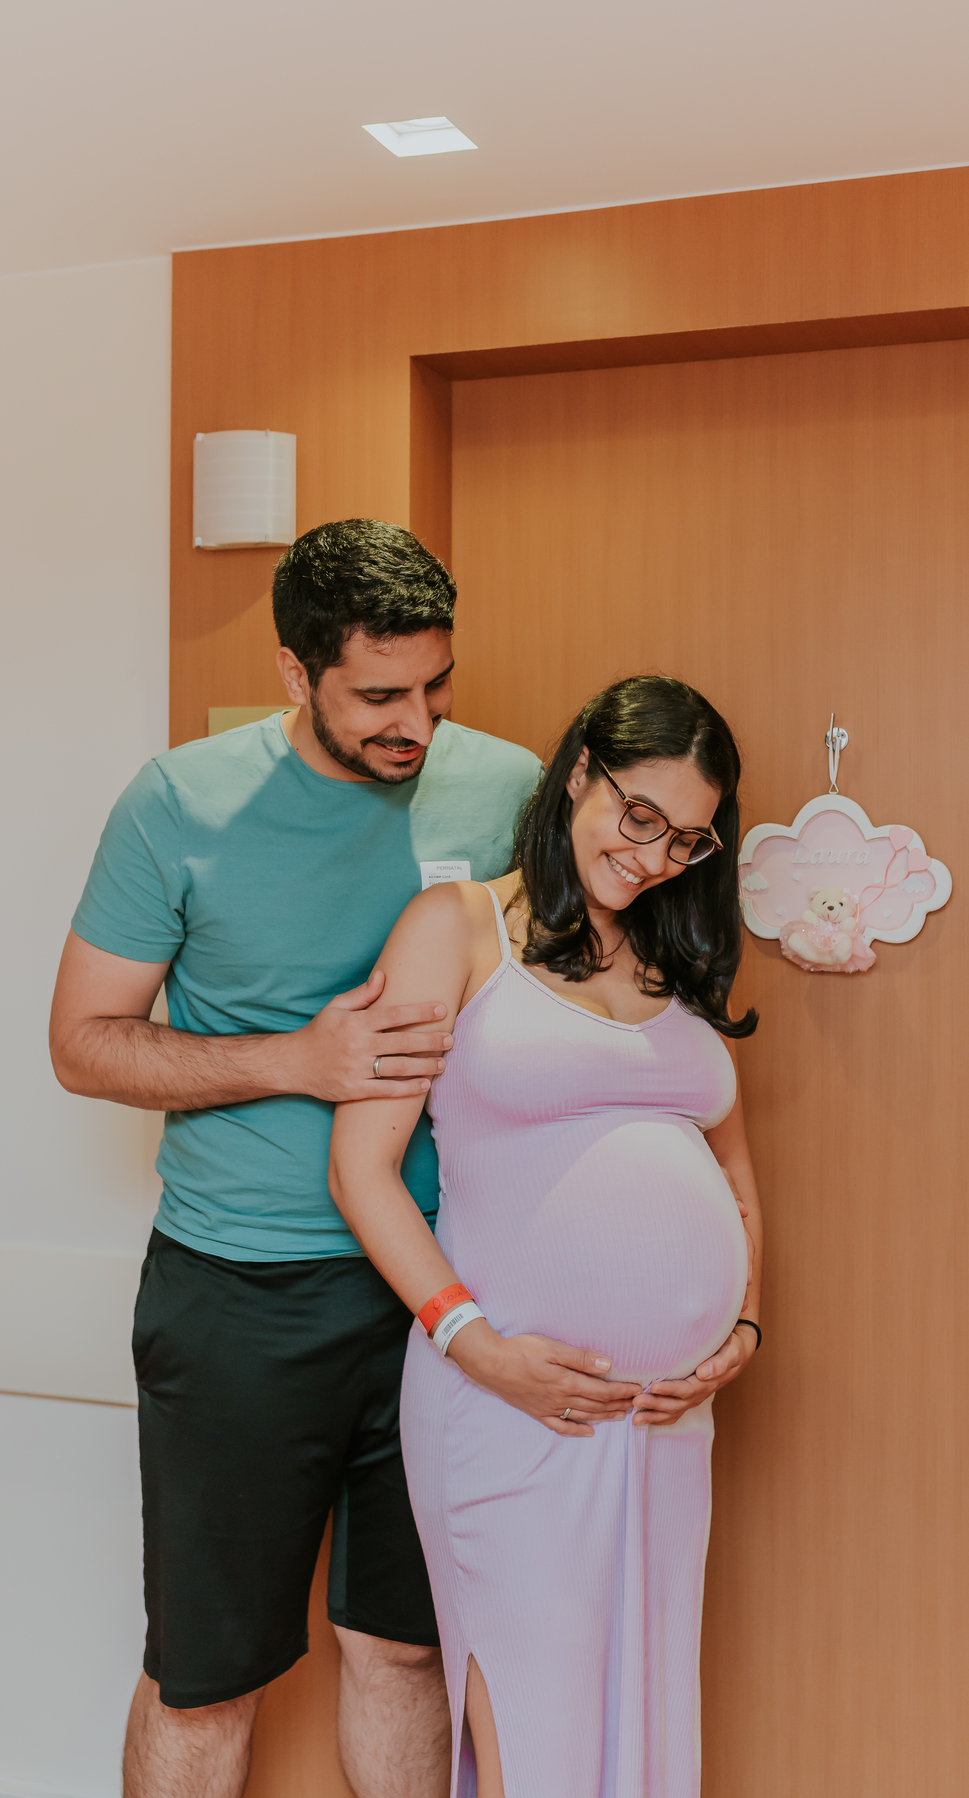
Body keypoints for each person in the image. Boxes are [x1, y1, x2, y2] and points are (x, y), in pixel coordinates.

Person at [48, 520, 546, 1798]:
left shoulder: (507, 788)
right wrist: (294, 1060)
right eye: (380, 695)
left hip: (437, 1295)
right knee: (205, 1676)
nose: (418, 725)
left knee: (406, 1649)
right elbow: (84, 1044)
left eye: (436, 686)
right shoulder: (179, 801)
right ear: (293, 672)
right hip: (238, 1295)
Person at [328, 675, 764, 1798]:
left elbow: (734, 1171)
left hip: (664, 1419)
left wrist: (740, 1329)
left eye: (689, 837)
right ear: (580, 771)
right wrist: (476, 1344)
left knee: (647, 1711)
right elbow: (362, 1168)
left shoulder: (682, 962)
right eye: (640, 816)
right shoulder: (458, 927)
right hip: (508, 1398)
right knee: (534, 1715)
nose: (658, 854)